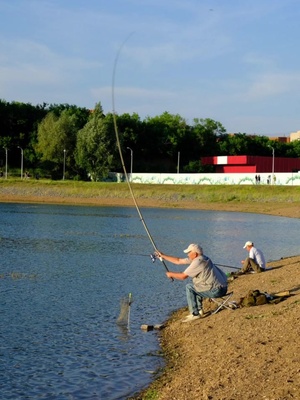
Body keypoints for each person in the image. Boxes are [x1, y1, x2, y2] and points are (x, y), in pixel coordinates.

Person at [156, 244, 228, 322]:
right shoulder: (203, 258)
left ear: (195, 254)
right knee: (196, 286)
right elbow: (178, 261)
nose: (188, 254)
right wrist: (163, 256)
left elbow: (183, 276)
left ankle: (195, 314)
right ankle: (199, 310)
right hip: (222, 288)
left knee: (189, 287)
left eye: (189, 252)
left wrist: (170, 274)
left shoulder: (197, 262)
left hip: (217, 291)